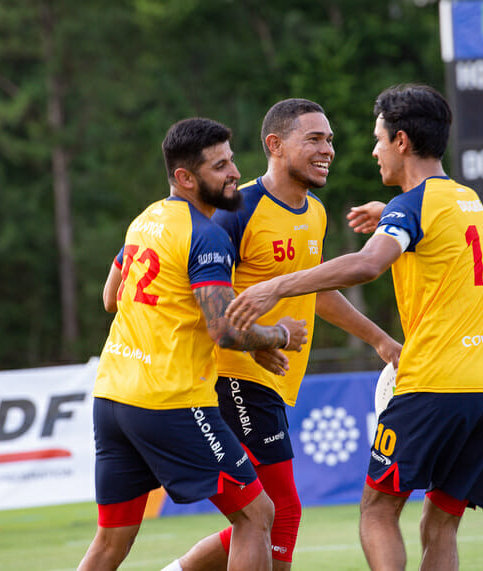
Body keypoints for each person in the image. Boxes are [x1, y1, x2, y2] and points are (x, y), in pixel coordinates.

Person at [225, 85, 483, 571]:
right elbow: (437, 238)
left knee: (377, 511)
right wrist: (381, 334)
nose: (372, 150)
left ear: (401, 141)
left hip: (436, 384)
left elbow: (367, 265)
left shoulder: (411, 203)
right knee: (440, 525)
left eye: (378, 139)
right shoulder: (467, 200)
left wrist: (278, 286)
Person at [165, 98, 403, 571]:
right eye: (313, 139)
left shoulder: (315, 211)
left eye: (329, 140)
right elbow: (204, 294)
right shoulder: (238, 209)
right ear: (275, 145)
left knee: (258, 516)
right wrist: (260, 341)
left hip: (273, 383)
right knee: (282, 512)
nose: (327, 149)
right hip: (233, 376)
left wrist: (380, 340)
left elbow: (313, 289)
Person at [77, 117, 310, 571]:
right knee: (258, 515)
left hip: (113, 398)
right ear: (186, 178)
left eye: (232, 161)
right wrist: (278, 334)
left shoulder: (145, 219)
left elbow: (110, 298)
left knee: (110, 542)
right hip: (171, 402)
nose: (234, 173)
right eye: (220, 166)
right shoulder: (207, 237)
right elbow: (224, 329)